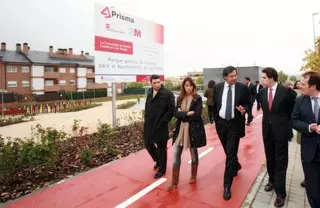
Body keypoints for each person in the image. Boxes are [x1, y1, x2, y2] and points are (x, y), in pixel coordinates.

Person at [258, 67, 296, 207]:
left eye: (264, 77)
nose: (262, 80)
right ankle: (272, 180)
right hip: (267, 131)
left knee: (281, 161)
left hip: (281, 132)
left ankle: (280, 193)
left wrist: (288, 126)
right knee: (270, 157)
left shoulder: (286, 92)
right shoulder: (261, 92)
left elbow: (294, 111)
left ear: (272, 78)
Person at [212, 66, 250, 200]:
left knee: (230, 156)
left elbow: (248, 104)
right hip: (221, 124)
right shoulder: (217, 88)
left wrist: (243, 109)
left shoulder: (242, 88)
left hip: (235, 124)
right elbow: (215, 104)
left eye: (235, 75)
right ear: (225, 77)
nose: (234, 78)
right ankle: (236, 164)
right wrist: (216, 119)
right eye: (231, 76)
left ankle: (227, 186)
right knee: (229, 152)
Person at [167, 77, 207, 191]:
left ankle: (193, 175)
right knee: (176, 155)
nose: (188, 87)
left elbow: (197, 115)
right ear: (183, 87)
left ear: (193, 86)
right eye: (186, 85)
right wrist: (187, 114)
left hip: (192, 131)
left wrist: (183, 115)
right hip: (180, 131)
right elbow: (175, 113)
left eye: (190, 85)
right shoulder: (179, 98)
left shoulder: (197, 98)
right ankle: (174, 181)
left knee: (194, 154)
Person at [292, 71, 320, 208]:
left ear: (313, 86)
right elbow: (294, 121)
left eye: (303, 84)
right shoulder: (300, 100)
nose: (300, 86)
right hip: (309, 152)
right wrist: (309, 127)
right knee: (312, 187)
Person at [143, 74, 175, 179]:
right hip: (149, 125)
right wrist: (146, 116)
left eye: (158, 82)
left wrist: (163, 121)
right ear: (151, 83)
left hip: (161, 126)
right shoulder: (150, 93)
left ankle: (162, 169)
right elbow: (147, 106)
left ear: (161, 82)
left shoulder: (168, 94)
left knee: (162, 148)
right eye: (154, 83)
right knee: (148, 145)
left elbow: (171, 111)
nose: (157, 85)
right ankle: (158, 160)